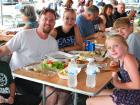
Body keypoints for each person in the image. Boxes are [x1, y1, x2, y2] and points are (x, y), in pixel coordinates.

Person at [0, 8, 58, 99]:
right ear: (39, 20)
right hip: (19, 78)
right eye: (45, 19)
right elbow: (3, 50)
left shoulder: (53, 43)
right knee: (52, 95)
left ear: (54, 23)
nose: (48, 22)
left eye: (51, 20)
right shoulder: (24, 35)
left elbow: (53, 65)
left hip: (41, 78)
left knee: (64, 93)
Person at [86, 35, 140, 105]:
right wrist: (117, 64)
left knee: (89, 101)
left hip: (134, 97)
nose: (112, 50)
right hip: (128, 91)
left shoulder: (128, 59)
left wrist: (117, 84)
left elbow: (137, 85)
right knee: (93, 94)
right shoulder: (124, 58)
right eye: (109, 48)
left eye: (116, 46)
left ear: (125, 46)